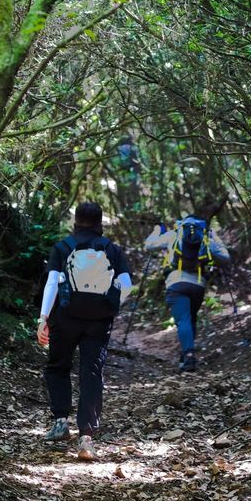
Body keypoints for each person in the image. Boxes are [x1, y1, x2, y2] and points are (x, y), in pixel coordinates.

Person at [37, 202, 132, 460]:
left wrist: (43, 318)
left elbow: (51, 284)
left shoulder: (63, 247)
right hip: (99, 322)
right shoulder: (112, 249)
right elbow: (126, 284)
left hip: (65, 318)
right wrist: (110, 304)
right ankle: (86, 437)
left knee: (58, 367)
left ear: (75, 221)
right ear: (100, 222)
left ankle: (60, 423)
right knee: (91, 373)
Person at [144, 197, 230, 372]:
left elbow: (149, 246)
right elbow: (226, 258)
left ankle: (189, 357)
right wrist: (215, 236)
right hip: (198, 284)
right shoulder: (206, 237)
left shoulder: (174, 234)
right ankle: (186, 354)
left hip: (176, 283)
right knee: (191, 318)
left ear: (183, 224)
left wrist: (156, 230)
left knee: (183, 319)